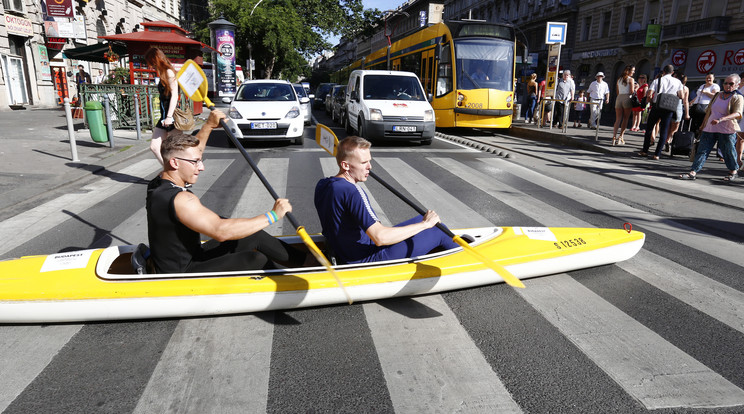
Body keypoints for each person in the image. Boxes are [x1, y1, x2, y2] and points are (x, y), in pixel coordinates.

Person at [146, 109, 306, 273]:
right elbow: (220, 231)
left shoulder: (157, 183)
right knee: (254, 259)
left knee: (252, 234)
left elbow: (192, 152)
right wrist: (273, 215)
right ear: (174, 163)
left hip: (190, 257)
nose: (201, 167)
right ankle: (301, 281)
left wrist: (208, 125)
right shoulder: (182, 199)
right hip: (183, 274)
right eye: (195, 162)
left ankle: (309, 263)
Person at [314, 136, 459, 264]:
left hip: (342, 253)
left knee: (422, 218)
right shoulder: (353, 191)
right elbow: (380, 238)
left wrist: (423, 222)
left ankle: (438, 251)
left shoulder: (323, 184)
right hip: (367, 258)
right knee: (438, 230)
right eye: (364, 162)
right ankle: (464, 260)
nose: (370, 167)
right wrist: (425, 225)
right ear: (345, 165)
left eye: (369, 161)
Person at [678, 74, 742, 182]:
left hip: (727, 129)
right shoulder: (717, 95)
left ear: (737, 85)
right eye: (725, 83)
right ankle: (693, 172)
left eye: (731, 84)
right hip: (710, 128)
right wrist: (703, 125)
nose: (727, 86)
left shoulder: (737, 97)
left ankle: (733, 171)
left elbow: (738, 113)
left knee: (728, 151)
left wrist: (721, 119)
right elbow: (709, 112)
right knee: (702, 150)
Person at [639, 65, 684, 160]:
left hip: (657, 106)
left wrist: (650, 101)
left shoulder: (657, 80)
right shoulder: (678, 82)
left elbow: (649, 93)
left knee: (650, 128)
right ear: (672, 73)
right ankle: (657, 154)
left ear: (663, 71)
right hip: (669, 108)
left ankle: (645, 151)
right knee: (664, 130)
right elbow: (681, 96)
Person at [145, 47, 179, 166]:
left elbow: (175, 95)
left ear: (155, 59)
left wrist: (169, 116)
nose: (150, 66)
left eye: (150, 62)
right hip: (165, 116)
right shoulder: (163, 73)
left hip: (171, 116)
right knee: (155, 147)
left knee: (178, 150)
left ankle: (180, 176)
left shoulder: (169, 72)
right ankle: (169, 171)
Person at [665, 71, 690, 152]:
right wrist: (687, 113)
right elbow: (685, 102)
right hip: (678, 108)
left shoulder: (673, 85)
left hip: (669, 106)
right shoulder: (685, 88)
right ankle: (669, 140)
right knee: (675, 126)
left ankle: (666, 140)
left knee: (668, 125)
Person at [612, 65, 636, 145]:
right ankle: (621, 137)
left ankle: (613, 137)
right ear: (629, 71)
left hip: (619, 98)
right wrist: (636, 88)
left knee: (618, 119)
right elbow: (631, 91)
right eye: (633, 70)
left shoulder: (619, 79)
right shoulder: (631, 79)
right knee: (625, 119)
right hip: (626, 98)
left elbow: (617, 91)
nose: (634, 72)